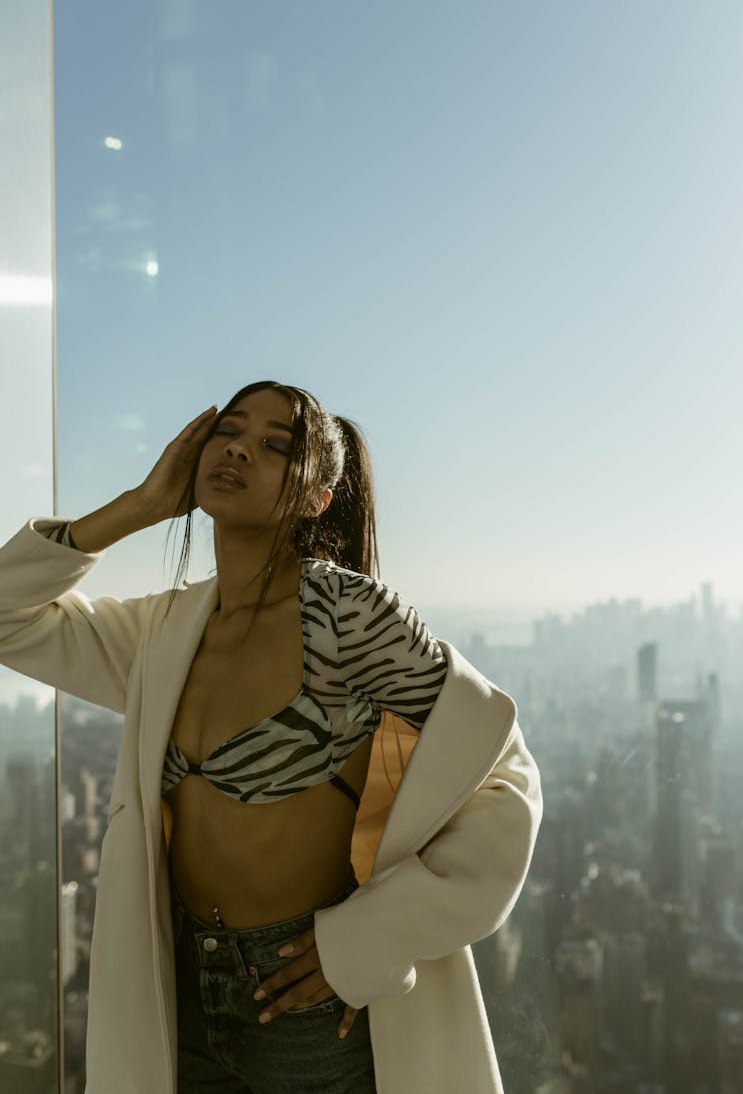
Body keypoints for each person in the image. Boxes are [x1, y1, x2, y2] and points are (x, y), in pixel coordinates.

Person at [0, 380, 543, 1094]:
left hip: (307, 1004)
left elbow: (502, 772)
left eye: (275, 444)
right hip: (181, 994)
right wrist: (140, 505)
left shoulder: (347, 615)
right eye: (230, 429)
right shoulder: (166, 630)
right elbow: (10, 617)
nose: (239, 447)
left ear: (317, 496)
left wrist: (364, 942)